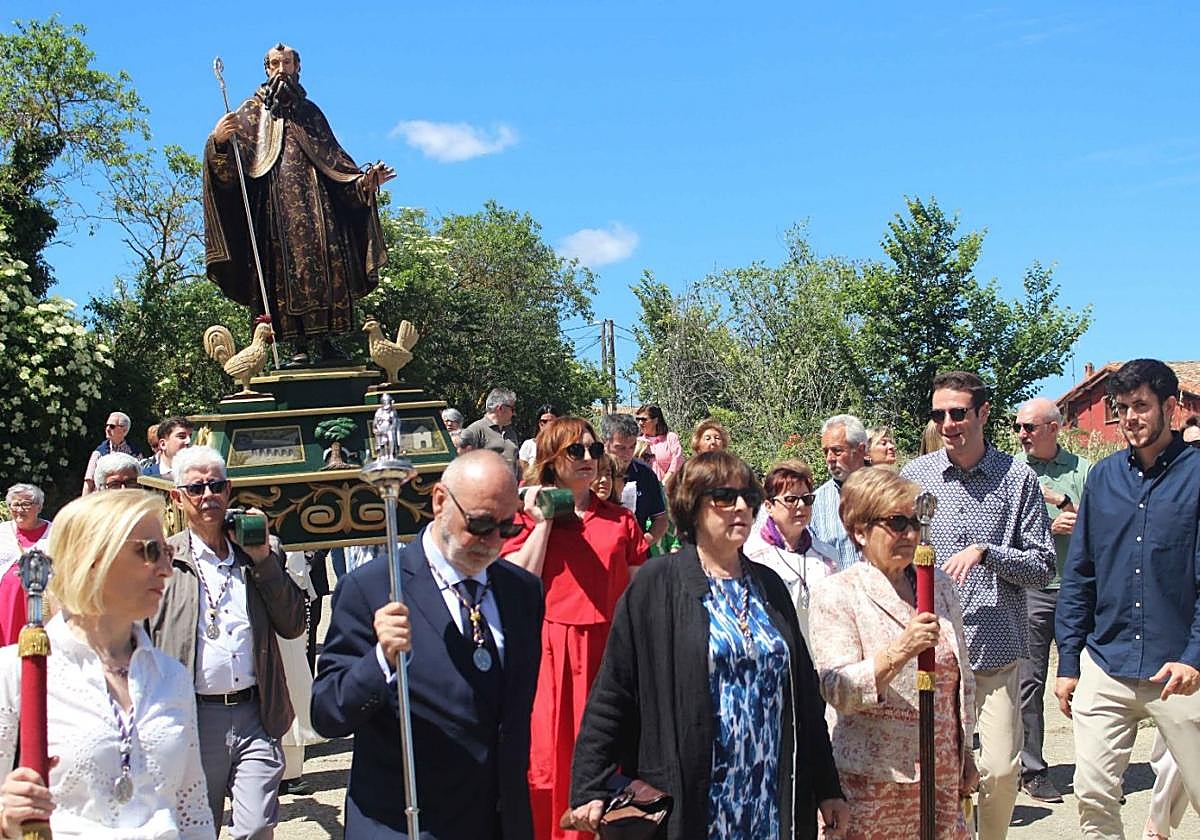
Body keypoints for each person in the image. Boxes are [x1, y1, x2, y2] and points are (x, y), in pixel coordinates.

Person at [565, 451, 847, 839]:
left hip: (768, 799)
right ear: (692, 507)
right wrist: (589, 786)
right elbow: (614, 691)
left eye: (748, 496)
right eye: (724, 498)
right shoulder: (656, 584)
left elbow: (804, 699)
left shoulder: (769, 586)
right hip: (695, 800)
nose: (742, 507)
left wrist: (827, 787)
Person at [312, 450, 544, 838]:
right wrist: (380, 661)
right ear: (440, 501)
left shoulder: (521, 591)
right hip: (407, 824)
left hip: (498, 822)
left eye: (505, 529)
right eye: (480, 523)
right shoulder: (373, 590)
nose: (491, 542)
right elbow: (328, 713)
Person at [0, 490, 213, 838]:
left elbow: (193, 812)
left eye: (168, 552)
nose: (166, 569)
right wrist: (7, 822)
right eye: (150, 551)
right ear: (94, 556)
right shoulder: (16, 672)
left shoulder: (170, 676)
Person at [901, 370, 1055, 840]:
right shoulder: (915, 477)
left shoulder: (1017, 478)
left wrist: (990, 553)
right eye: (939, 414)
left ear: (983, 413)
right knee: (934, 769)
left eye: (958, 412)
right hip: (934, 649)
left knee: (1001, 771)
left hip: (995, 650)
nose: (949, 423)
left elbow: (1044, 565)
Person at [1054, 359, 1200, 840]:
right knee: (1092, 793)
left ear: (1171, 408)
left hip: (1180, 669)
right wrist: (1070, 662)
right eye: (1121, 408)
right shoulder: (1102, 479)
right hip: (1106, 662)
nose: (1130, 418)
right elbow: (1080, 574)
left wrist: (1194, 657)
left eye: (1141, 406)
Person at [809, 467, 978, 839]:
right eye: (896, 522)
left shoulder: (939, 586)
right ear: (859, 530)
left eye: (914, 521)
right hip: (875, 785)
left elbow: (959, 679)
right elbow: (838, 689)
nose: (910, 533)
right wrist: (900, 650)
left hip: (941, 778)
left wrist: (965, 752)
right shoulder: (839, 594)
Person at [148, 445, 307, 838]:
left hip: (256, 713)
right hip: (193, 719)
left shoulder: (257, 553)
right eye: (196, 488)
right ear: (177, 496)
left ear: (229, 489)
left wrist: (263, 559)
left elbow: (293, 624)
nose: (208, 496)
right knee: (195, 831)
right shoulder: (163, 561)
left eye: (216, 486)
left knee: (255, 828)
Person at [503, 417, 648, 840]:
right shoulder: (526, 519)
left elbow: (640, 595)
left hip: (610, 653)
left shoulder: (620, 521)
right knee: (548, 762)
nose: (589, 459)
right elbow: (517, 583)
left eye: (595, 450)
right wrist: (546, 519)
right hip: (551, 654)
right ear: (552, 459)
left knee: (612, 759)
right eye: (576, 451)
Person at [204, 43, 392, 366]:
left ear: (297, 67)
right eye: (275, 63)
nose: (281, 69)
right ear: (266, 69)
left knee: (327, 272)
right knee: (281, 275)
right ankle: (295, 344)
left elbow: (337, 166)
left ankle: (327, 341)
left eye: (287, 62)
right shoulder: (251, 112)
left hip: (321, 214)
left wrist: (364, 183)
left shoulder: (311, 114)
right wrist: (218, 142)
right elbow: (232, 174)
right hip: (275, 215)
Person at [1012, 397, 1092, 804]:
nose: (1022, 434)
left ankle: (1096, 770)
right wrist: (1048, 523)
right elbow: (1001, 531)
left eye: (1030, 427)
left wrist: (1072, 515)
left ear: (1054, 428)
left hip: (1078, 591)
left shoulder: (1082, 471)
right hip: (1031, 591)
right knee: (1030, 682)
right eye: (1018, 427)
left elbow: (1099, 522)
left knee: (1092, 682)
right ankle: (1033, 769)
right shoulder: (1011, 472)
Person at [743, 459, 838, 646]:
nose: (801, 506)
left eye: (807, 499)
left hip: (821, 657)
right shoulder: (750, 556)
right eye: (791, 499)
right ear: (768, 506)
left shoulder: (828, 556)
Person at [600, 413, 669, 551]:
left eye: (632, 447)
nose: (627, 454)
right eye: (620, 448)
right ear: (604, 442)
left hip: (635, 556)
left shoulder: (646, 474)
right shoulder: (591, 472)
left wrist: (643, 542)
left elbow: (661, 519)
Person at [811, 414, 870, 571]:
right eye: (825, 452)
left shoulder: (888, 492)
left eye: (837, 451)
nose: (830, 458)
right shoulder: (816, 502)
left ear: (861, 450)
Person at [0, 484, 53, 646]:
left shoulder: (53, 533)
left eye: (26, 504)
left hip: (40, 604)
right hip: (5, 601)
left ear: (39, 506)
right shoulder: (2, 531)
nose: (20, 509)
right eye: (15, 504)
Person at [458, 388, 521, 476]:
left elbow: (517, 464)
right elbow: (462, 465)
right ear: (501, 408)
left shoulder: (511, 432)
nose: (514, 414)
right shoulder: (474, 431)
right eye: (512, 409)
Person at [82, 411, 143, 494]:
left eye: (112, 426)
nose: (107, 429)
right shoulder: (99, 452)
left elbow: (140, 481)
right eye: (107, 425)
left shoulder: (135, 454)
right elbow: (88, 483)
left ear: (124, 430)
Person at [635, 404, 684, 487]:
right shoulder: (636, 441)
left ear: (655, 420)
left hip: (668, 489)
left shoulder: (671, 438)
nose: (640, 423)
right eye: (638, 419)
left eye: (644, 419)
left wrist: (663, 484)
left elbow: (677, 462)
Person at [520, 404, 562, 471]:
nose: (547, 425)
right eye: (544, 421)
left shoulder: (563, 445)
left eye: (551, 422)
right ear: (539, 423)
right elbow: (523, 472)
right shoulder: (529, 444)